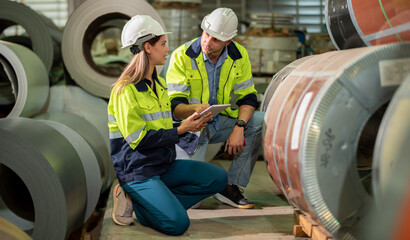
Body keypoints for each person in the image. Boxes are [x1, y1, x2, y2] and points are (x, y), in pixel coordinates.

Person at [108, 15, 227, 235]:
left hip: (163, 165)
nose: (167, 49)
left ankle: (153, 205)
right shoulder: (125, 90)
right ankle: (137, 200)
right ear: (147, 47)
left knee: (218, 178)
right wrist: (182, 129)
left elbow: (161, 125)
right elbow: (139, 139)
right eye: (162, 43)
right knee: (177, 224)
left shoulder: (159, 84)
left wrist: (192, 122)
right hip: (138, 171)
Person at [164, 8, 264, 209]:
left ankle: (229, 186)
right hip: (191, 127)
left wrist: (239, 127)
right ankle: (208, 181)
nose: (207, 42)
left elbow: (249, 97)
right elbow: (175, 106)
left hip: (220, 121)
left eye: (215, 39)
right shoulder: (182, 56)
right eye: (206, 34)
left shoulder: (238, 55)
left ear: (228, 42)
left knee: (261, 121)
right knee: (194, 203)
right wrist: (195, 108)